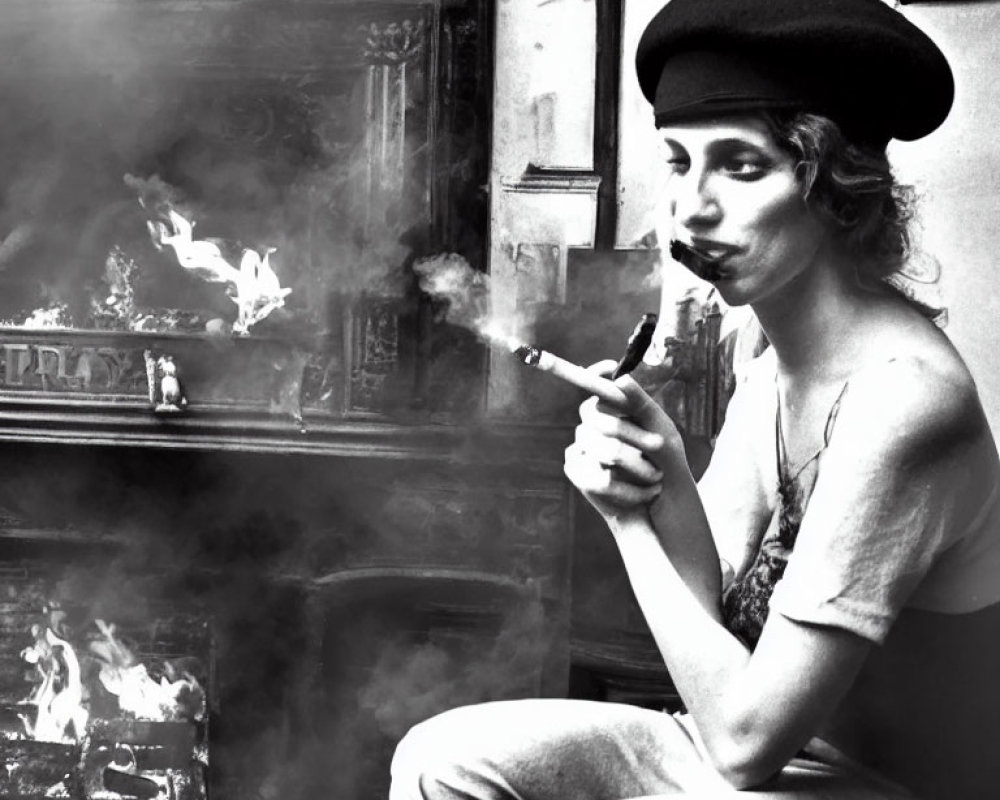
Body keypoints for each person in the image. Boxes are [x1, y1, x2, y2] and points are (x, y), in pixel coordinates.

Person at [389, 1, 1000, 797]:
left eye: (742, 167)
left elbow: (745, 744)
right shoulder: (768, 350)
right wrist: (665, 466)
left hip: (876, 780)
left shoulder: (906, 403)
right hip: (760, 752)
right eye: (679, 162)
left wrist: (626, 521)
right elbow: (708, 588)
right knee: (441, 759)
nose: (692, 206)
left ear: (840, 189)